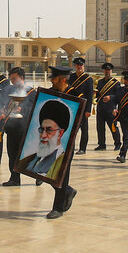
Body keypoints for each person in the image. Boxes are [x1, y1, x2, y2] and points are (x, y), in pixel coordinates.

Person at [45, 64, 80, 219]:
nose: (52, 81)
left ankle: (58, 208)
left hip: (65, 141)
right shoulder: (50, 93)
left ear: (62, 80)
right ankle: (67, 191)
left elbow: (78, 119)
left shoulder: (75, 95)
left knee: (61, 174)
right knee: (46, 171)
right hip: (48, 140)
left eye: (54, 78)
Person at [18, 99, 72, 179]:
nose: (43, 135)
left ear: (60, 133)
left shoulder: (61, 161)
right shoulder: (27, 160)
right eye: (41, 129)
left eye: (49, 130)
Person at [1, 67, 35, 187]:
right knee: (12, 154)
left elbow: (34, 108)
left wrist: (23, 109)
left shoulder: (31, 92)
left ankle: (38, 175)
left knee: (28, 154)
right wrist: (4, 111)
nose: (13, 82)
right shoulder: (11, 91)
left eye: (15, 79)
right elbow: (6, 104)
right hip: (12, 128)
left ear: (22, 78)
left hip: (25, 128)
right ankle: (14, 178)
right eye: (11, 80)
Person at [66, 57, 94, 155]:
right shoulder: (71, 77)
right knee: (71, 129)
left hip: (83, 107)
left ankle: (83, 148)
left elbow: (90, 95)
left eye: (81, 65)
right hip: (72, 106)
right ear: (75, 66)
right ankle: (70, 147)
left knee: (84, 129)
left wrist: (88, 110)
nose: (79, 67)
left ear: (83, 66)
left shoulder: (88, 79)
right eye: (78, 65)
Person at [94, 63, 122, 150]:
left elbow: (118, 96)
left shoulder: (115, 83)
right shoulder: (100, 82)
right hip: (101, 108)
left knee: (113, 127)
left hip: (110, 109)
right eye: (106, 70)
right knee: (100, 128)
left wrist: (110, 97)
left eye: (109, 70)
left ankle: (117, 143)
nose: (107, 72)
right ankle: (102, 144)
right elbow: (98, 94)